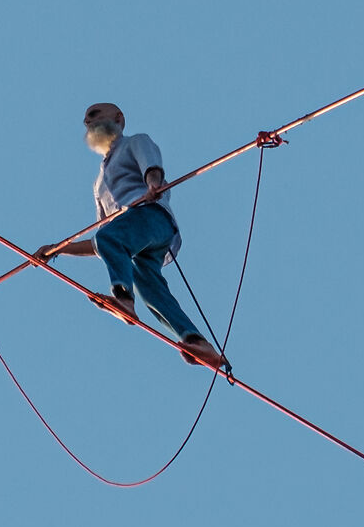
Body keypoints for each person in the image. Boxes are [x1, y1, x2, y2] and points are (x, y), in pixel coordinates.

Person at [37, 102, 227, 372]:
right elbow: (101, 242)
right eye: (85, 119)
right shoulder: (99, 183)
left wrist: (152, 185)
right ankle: (196, 341)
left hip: (152, 219)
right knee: (152, 292)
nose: (87, 122)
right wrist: (59, 250)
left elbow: (152, 167)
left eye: (93, 115)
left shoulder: (136, 142)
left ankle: (123, 299)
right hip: (137, 242)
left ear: (118, 118)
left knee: (112, 238)